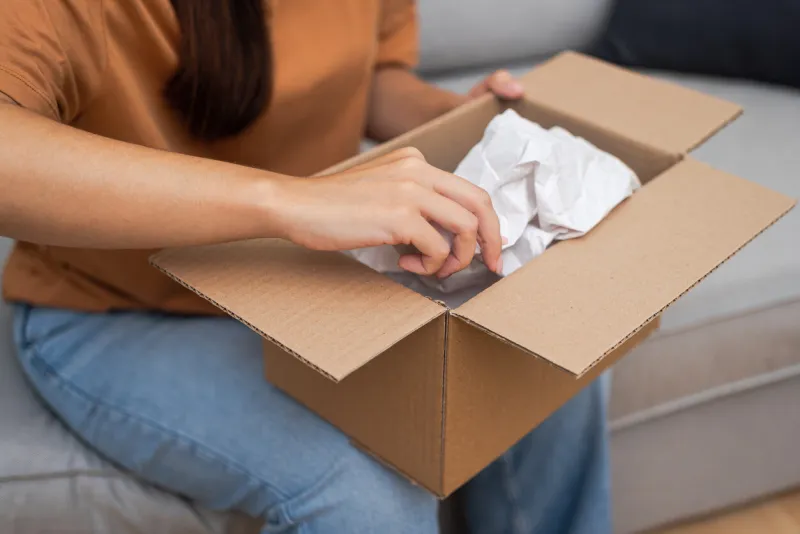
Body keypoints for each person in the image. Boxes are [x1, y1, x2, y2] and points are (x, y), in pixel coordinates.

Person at [0, 1, 611, 532]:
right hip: (120, 311)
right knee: (369, 496)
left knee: (547, 360)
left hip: (306, 282)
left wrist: (458, 116)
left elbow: (364, 78)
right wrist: (289, 202)